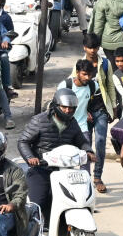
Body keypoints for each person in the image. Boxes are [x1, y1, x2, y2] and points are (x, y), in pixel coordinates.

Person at [17, 88, 93, 219]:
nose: (68, 111)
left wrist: (89, 151)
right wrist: (31, 158)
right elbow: (23, 141)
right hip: (41, 169)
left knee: (76, 200)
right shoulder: (39, 120)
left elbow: (81, 141)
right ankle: (30, 235)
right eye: (64, 107)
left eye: (71, 108)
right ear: (55, 105)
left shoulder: (72, 122)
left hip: (64, 170)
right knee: (37, 204)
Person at [59, 59, 113, 193]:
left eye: (89, 75)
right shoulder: (65, 85)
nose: (87, 78)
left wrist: (89, 110)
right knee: (66, 161)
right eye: (84, 74)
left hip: (82, 127)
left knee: (85, 159)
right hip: (65, 128)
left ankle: (86, 190)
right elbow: (55, 106)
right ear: (77, 72)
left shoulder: (92, 85)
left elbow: (95, 98)